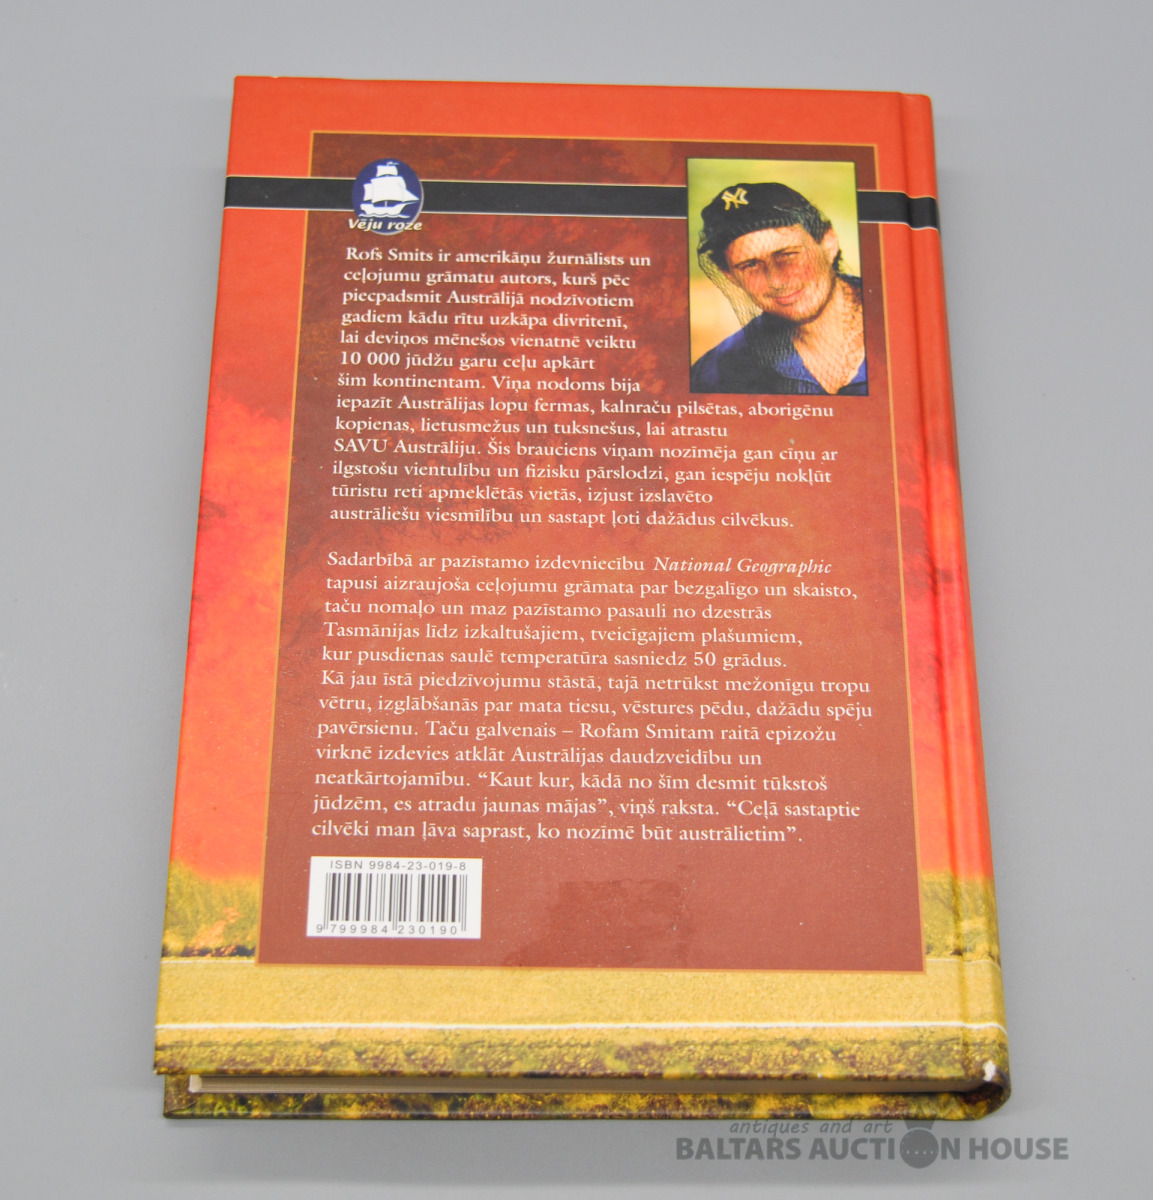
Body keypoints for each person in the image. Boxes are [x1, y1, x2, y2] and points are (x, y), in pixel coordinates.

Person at [690, 182, 867, 395]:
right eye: (750, 265)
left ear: (828, 244)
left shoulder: (898, 317)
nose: (776, 281)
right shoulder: (719, 372)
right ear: (730, 276)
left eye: (788, 255)